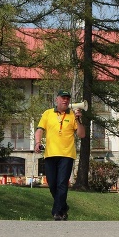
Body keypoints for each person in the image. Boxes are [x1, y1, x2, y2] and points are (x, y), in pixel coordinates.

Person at [34, 89, 85, 221]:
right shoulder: (47, 113)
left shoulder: (73, 115)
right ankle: (63, 207)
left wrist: (79, 120)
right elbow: (39, 130)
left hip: (67, 154)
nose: (65, 100)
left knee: (62, 183)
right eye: (63, 98)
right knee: (52, 184)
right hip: (50, 154)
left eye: (67, 98)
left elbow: (81, 134)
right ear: (56, 99)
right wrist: (37, 142)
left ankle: (56, 212)